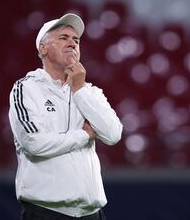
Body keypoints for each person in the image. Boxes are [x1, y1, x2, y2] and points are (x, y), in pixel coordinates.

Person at [8, 13, 123, 220]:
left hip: (92, 214)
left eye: (76, 40)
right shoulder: (26, 88)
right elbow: (34, 142)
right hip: (46, 212)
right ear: (42, 48)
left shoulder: (91, 92)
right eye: (63, 38)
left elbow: (113, 134)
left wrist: (79, 89)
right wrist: (83, 135)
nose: (72, 43)